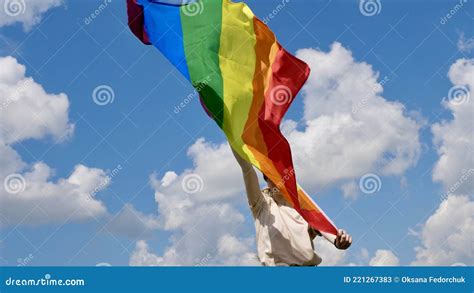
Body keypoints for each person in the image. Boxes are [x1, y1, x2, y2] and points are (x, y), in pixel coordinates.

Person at [231, 148, 352, 266]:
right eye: (272, 173)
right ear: (266, 178)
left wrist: (337, 240)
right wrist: (233, 138)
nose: (278, 178)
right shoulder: (261, 204)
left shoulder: (302, 204)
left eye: (282, 172)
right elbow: (246, 168)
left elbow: (321, 227)